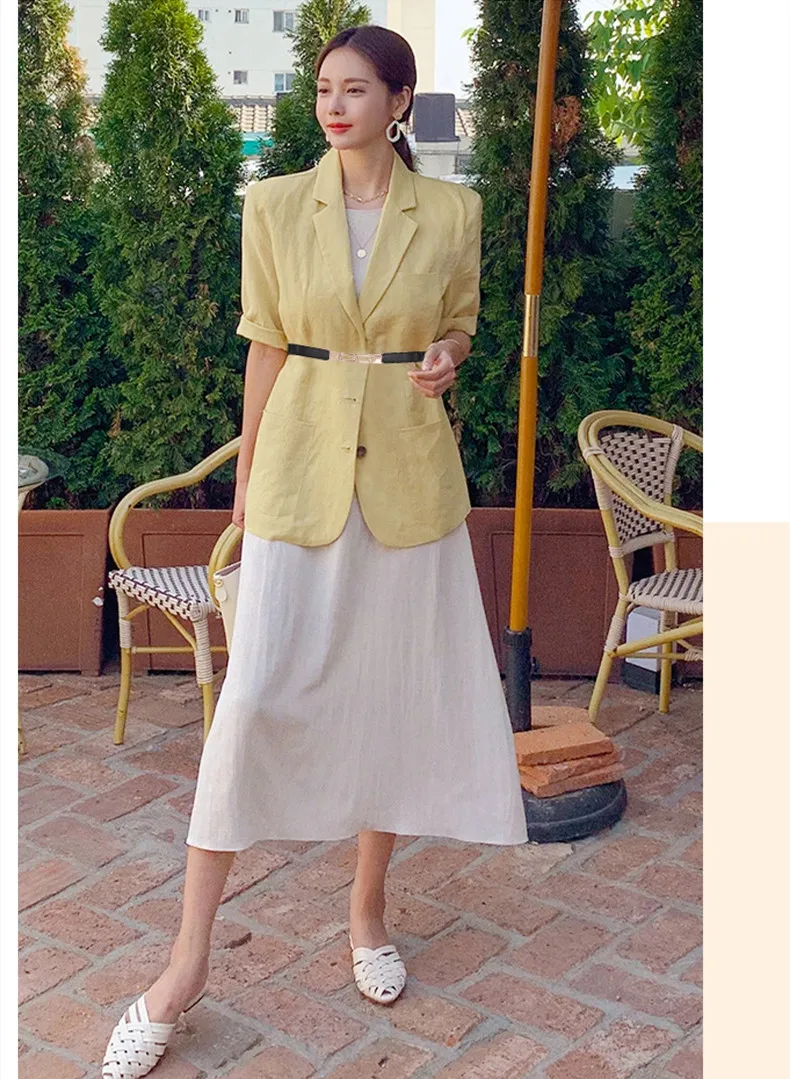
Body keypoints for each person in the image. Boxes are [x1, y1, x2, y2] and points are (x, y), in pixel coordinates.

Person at [102, 24, 528, 1079]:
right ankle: (185, 964)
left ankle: (367, 911)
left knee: (388, 697)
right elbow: (264, 343)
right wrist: (248, 480)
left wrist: (448, 352)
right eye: (324, 88)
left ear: (399, 101)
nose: (334, 106)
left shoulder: (455, 211)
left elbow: (463, 323)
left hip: (409, 481)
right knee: (253, 701)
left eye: (356, 89)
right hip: (297, 471)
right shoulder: (273, 205)